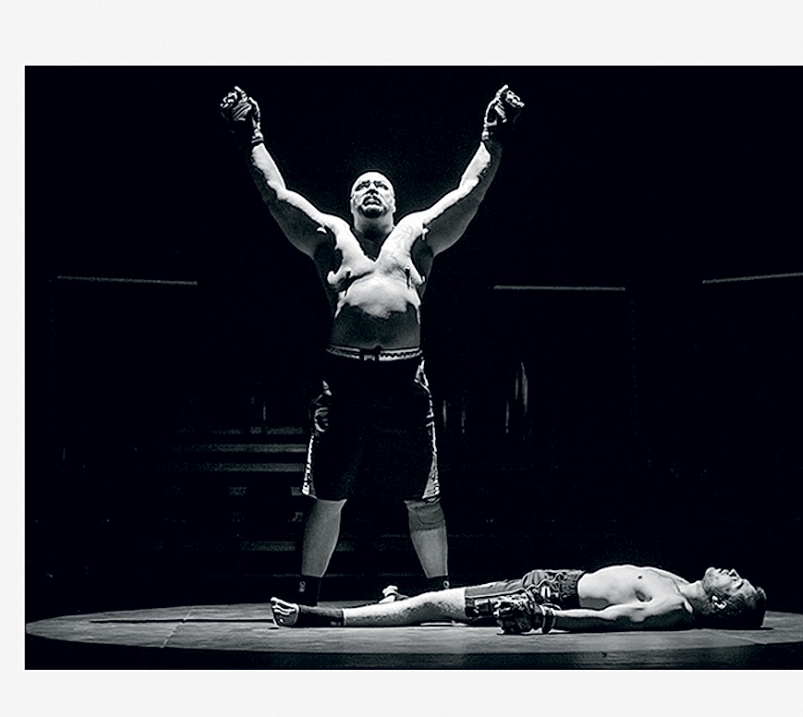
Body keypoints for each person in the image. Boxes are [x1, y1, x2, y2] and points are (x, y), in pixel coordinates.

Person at [219, 82, 525, 604]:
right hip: (344, 381)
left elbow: (470, 193)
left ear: (395, 201)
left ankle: (440, 593)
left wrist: (492, 135)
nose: (371, 189)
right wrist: (251, 136)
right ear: (350, 201)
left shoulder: (416, 236)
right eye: (362, 185)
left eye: (381, 184)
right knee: (327, 494)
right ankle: (307, 594)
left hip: (403, 381)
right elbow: (277, 196)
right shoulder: (332, 238)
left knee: (423, 495)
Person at [270, 565, 768, 633]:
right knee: (448, 604)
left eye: (738, 583)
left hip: (548, 593)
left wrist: (545, 617)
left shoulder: (674, 606)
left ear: (723, 605)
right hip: (554, 579)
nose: (733, 573)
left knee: (434, 605)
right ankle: (397, 601)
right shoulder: (680, 583)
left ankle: (323, 616)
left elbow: (619, 618)